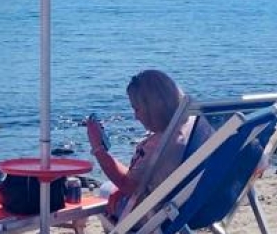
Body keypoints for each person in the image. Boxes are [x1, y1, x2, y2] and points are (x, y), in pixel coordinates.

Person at [86, 69, 210, 217]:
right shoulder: (194, 124)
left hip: (161, 213)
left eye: (137, 109)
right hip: (199, 205)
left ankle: (115, 233)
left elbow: (129, 186)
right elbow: (138, 179)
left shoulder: (163, 144)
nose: (135, 116)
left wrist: (98, 149)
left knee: (105, 191)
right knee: (112, 190)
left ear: (153, 108)